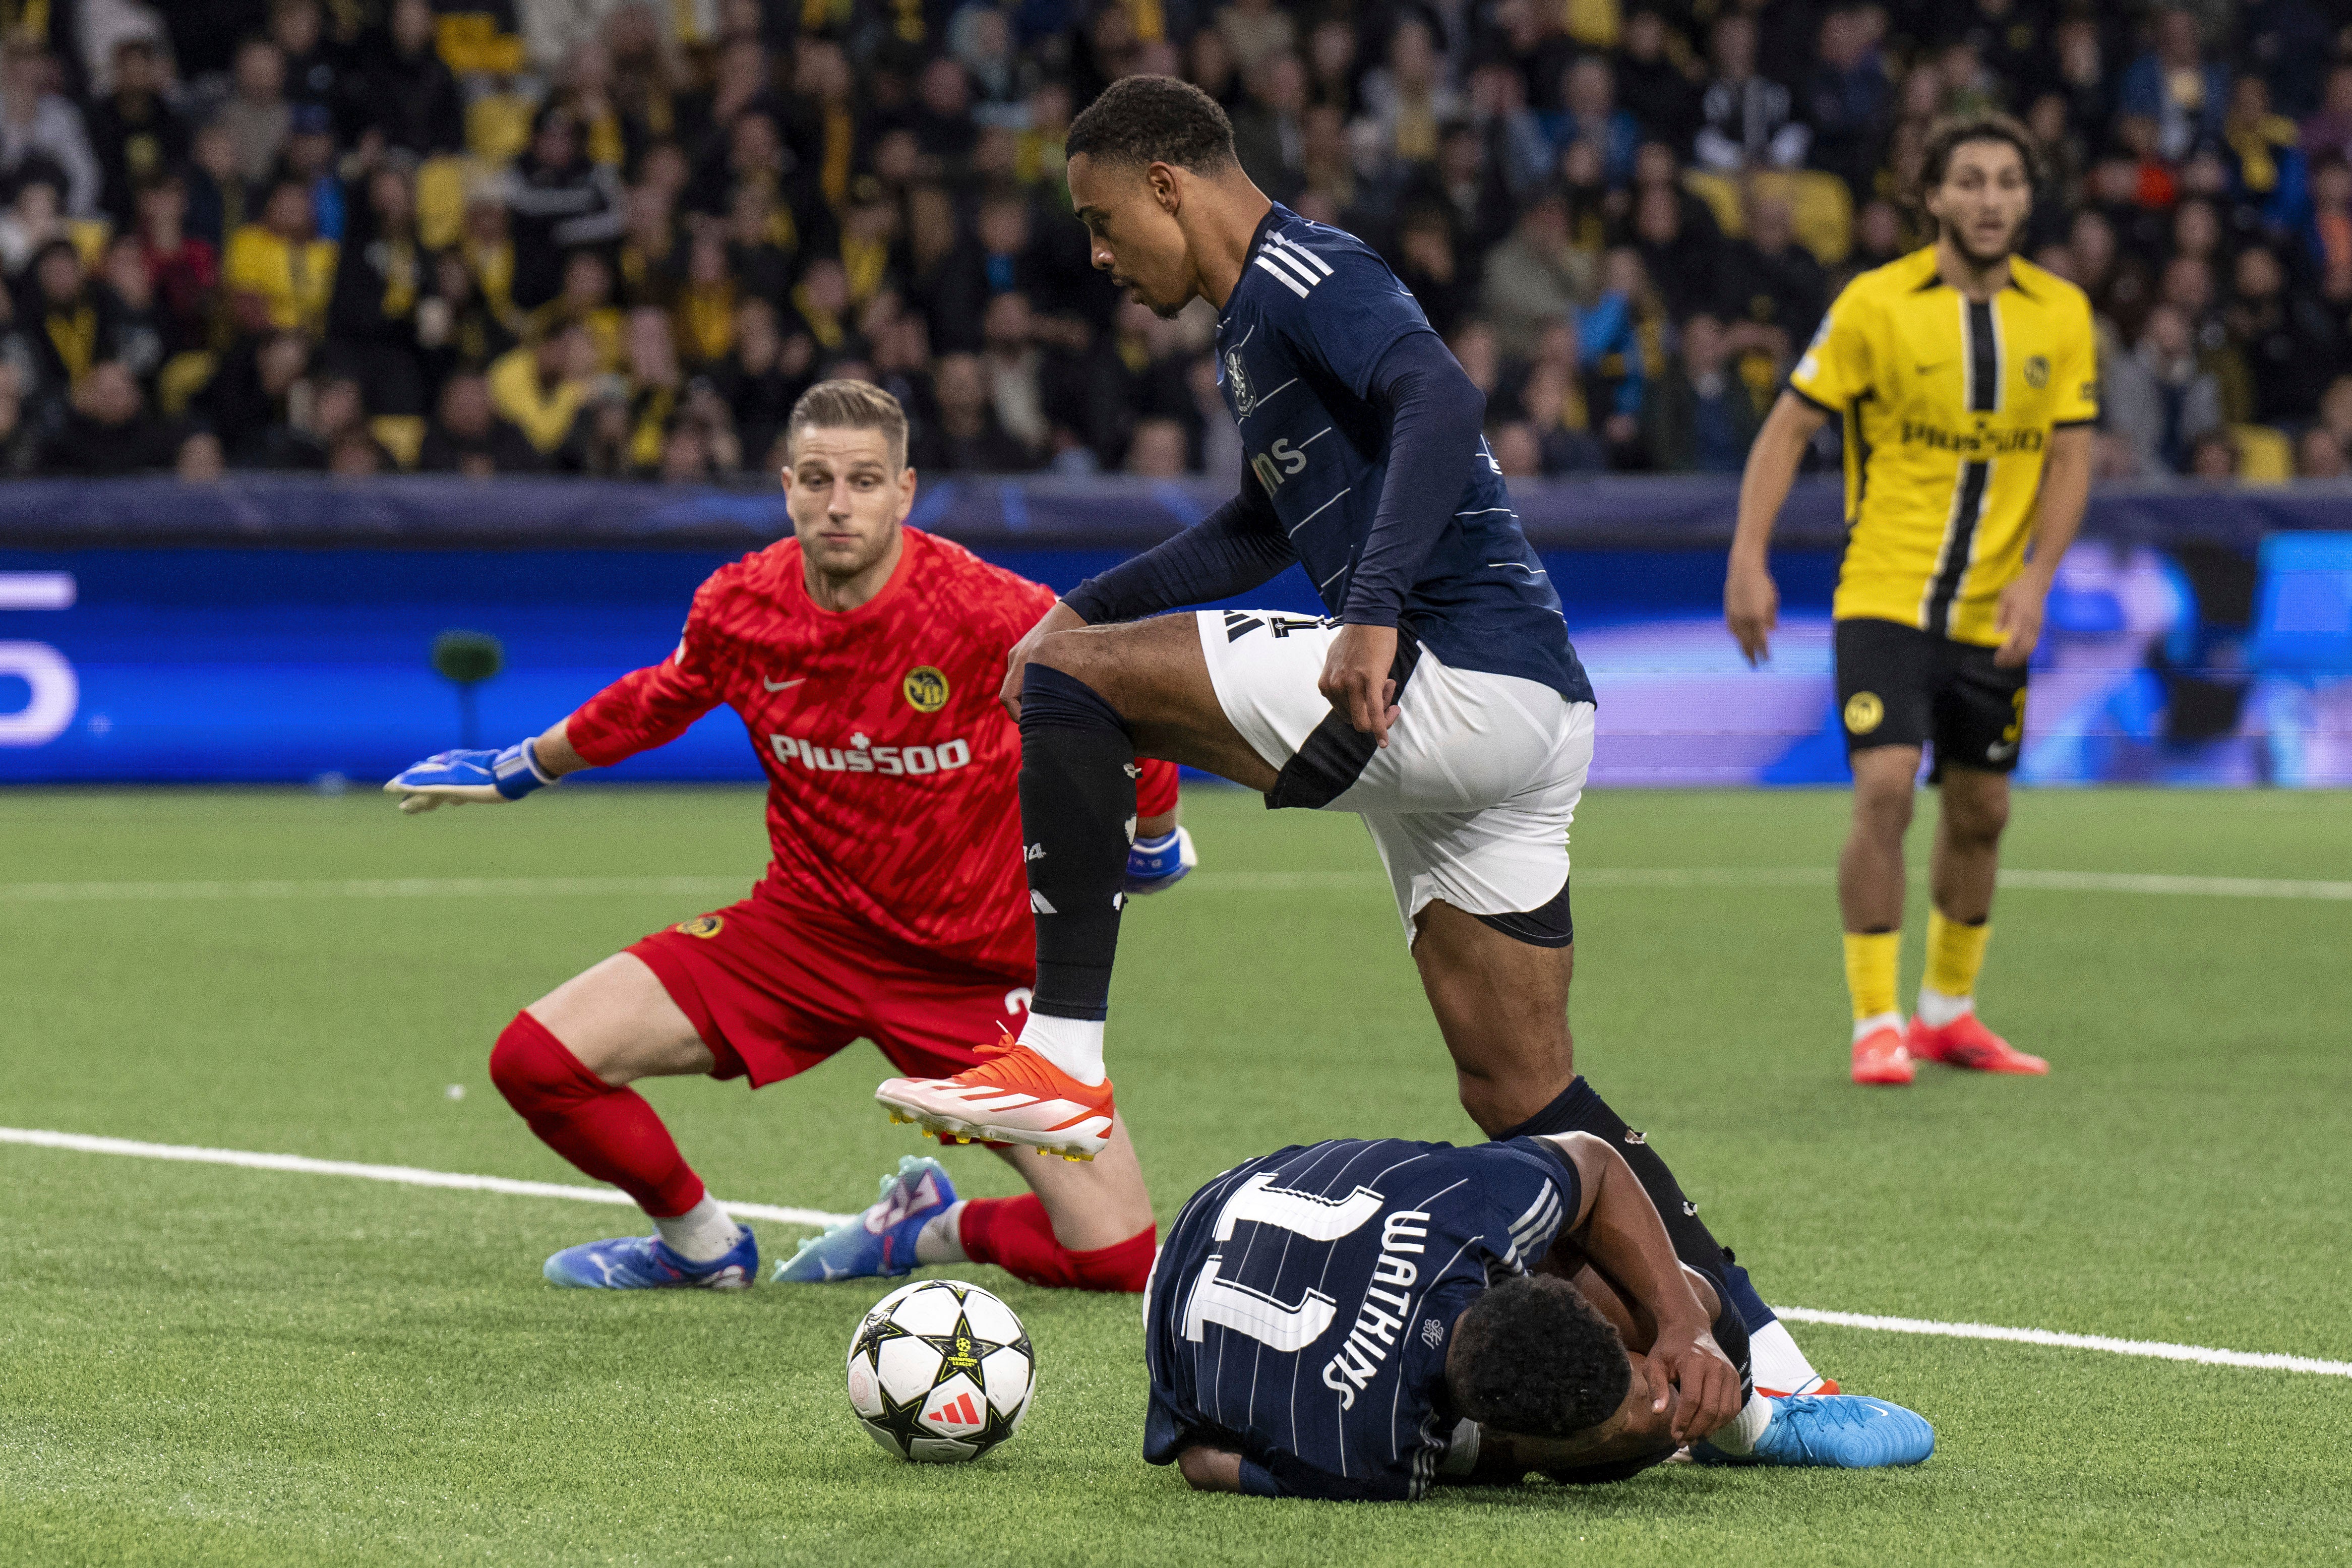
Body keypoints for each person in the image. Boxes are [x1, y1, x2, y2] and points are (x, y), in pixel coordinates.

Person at [876, 75, 1840, 1403]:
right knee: (1523, 1090)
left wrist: (1372, 614)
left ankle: (1066, 1053)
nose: (1097, 256)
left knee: (1073, 691)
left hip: (1457, 678)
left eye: (1104, 221)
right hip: (1525, 718)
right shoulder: (1250, 323)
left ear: (1171, 182)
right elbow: (1261, 529)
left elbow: (1440, 398)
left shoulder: (1303, 269)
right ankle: (1771, 1361)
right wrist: (1080, 608)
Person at [382, 380, 1191, 1294]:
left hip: (969, 971)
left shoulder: (990, 610)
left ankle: (933, 1226)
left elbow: (1108, 702)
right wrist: (524, 764)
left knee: (1117, 1259)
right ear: (786, 487)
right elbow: (658, 700)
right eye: (816, 479)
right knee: (536, 1062)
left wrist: (1153, 835)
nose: (838, 503)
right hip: (801, 935)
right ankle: (699, 1244)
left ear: (905, 490)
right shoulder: (741, 604)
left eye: (863, 480)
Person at [1726, 114, 2096, 1087]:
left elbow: (2071, 453)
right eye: (1968, 181)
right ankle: (1876, 1019)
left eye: (2007, 181)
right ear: (1930, 196)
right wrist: (1747, 558)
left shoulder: (2059, 312)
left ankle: (1948, 1012)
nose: (1988, 199)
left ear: (2028, 196)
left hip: (1992, 614)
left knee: (1982, 810)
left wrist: (2037, 577)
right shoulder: (1873, 305)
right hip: (1884, 594)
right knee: (1885, 788)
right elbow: (1786, 429)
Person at [1147, 1130, 1934, 1499]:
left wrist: (1680, 1330)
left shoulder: (1476, 1210)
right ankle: (1747, 1430)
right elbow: (1199, 1459)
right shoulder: (1372, 1457)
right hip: (1224, 1224)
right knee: (1649, 1416)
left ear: (1528, 1279)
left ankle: (1747, 1412)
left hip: (1244, 1191)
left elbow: (1592, 1158)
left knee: (1689, 1301)